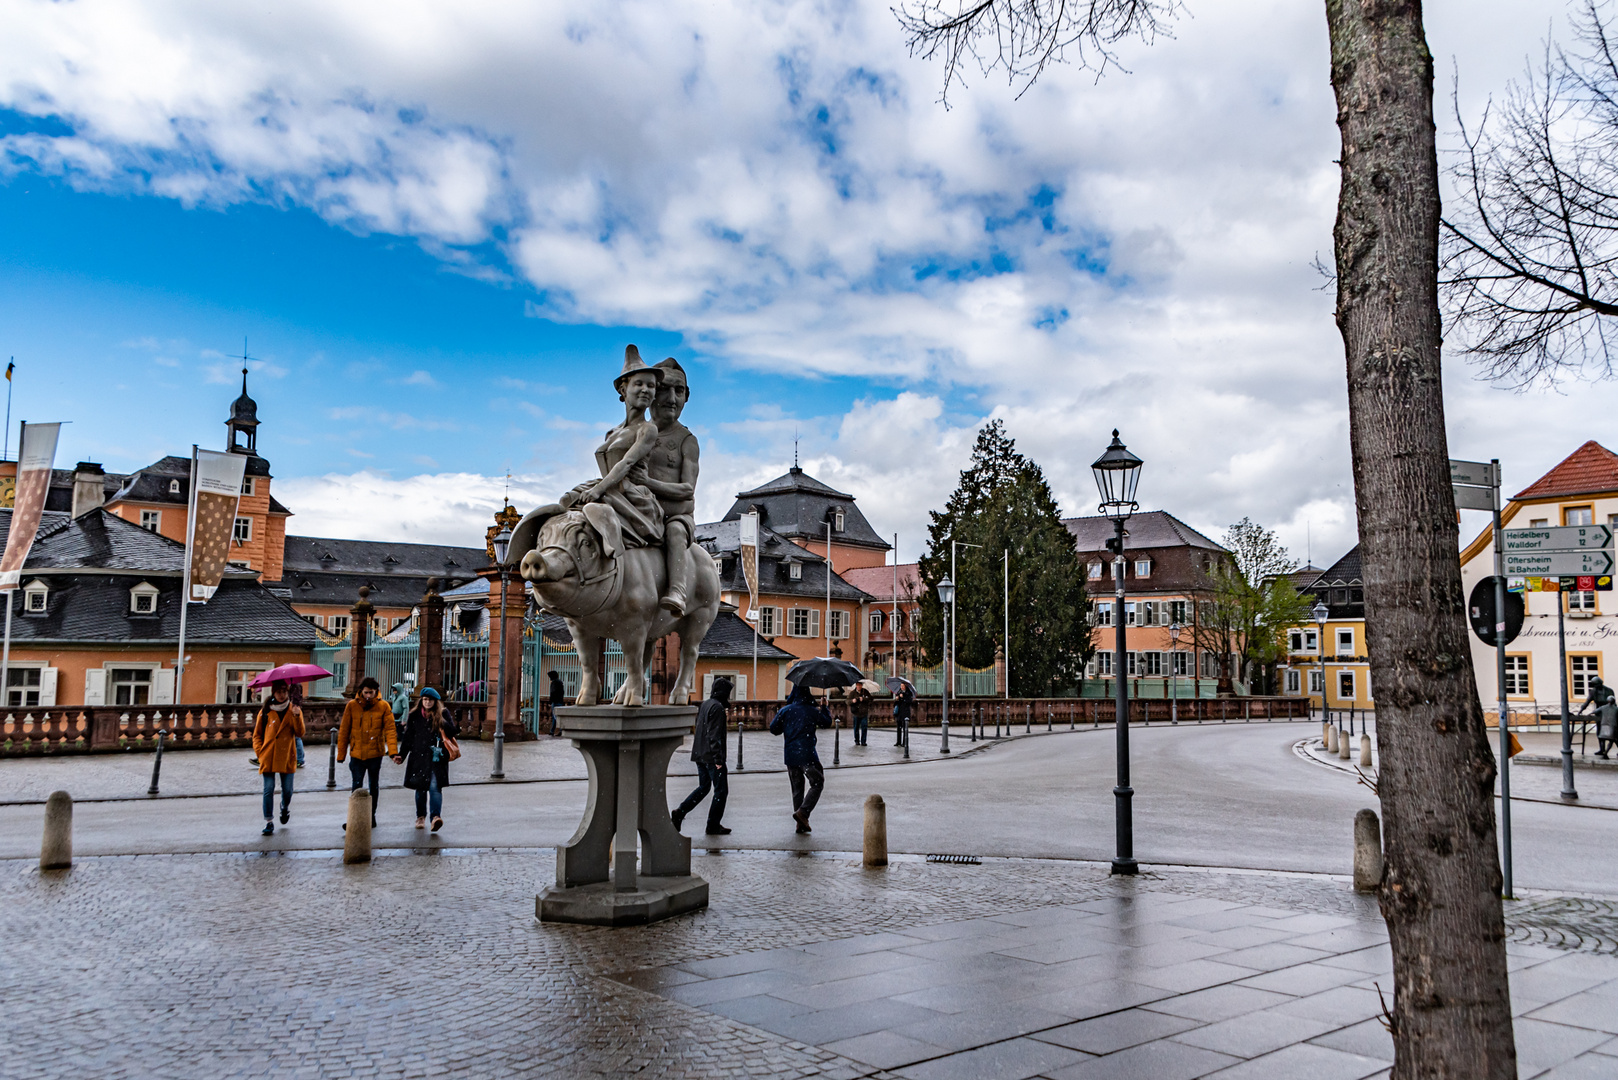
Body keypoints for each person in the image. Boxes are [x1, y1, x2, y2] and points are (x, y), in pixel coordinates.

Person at [557, 345, 666, 549]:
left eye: (651, 386)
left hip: (629, 496)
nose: (646, 389)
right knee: (564, 501)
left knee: (594, 510)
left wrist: (599, 490)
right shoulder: (611, 433)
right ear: (623, 390)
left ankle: (610, 550)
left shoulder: (648, 429)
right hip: (605, 488)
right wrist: (598, 488)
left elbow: (627, 462)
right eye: (639, 384)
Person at [642, 356, 700, 616]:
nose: (672, 397)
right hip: (640, 511)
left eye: (679, 390)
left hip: (674, 516)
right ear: (652, 391)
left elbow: (687, 489)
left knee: (675, 532)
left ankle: (677, 590)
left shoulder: (686, 440)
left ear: (687, 397)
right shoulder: (638, 433)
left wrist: (646, 482)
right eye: (665, 389)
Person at [769, 682, 832, 833]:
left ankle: (801, 823)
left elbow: (773, 729)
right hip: (807, 754)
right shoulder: (811, 710)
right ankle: (803, 813)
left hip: (791, 755)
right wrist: (824, 707)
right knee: (817, 782)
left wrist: (786, 723)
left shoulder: (786, 710)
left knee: (797, 789)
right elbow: (826, 723)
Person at [672, 677, 732, 835]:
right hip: (712, 757)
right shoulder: (717, 708)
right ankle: (713, 824)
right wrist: (719, 761)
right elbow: (714, 737)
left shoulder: (706, 704)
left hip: (700, 754)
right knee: (721, 791)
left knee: (703, 787)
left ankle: (680, 811)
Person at [394, 687, 458, 831]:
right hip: (419, 756)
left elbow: (453, 732)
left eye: (430, 700)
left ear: (435, 701)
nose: (427, 702)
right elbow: (408, 737)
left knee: (435, 787)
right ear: (421, 700)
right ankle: (420, 817)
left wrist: (441, 721)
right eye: (425, 699)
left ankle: (435, 817)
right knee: (421, 788)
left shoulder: (443, 713)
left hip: (437, 757)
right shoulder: (415, 714)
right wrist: (402, 755)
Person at [338, 676, 398, 829]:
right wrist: (341, 754)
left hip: (375, 754)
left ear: (376, 692)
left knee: (373, 786)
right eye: (366, 693)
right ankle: (355, 817)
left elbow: (390, 730)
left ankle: (371, 816)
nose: (368, 696)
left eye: (371, 693)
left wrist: (392, 752)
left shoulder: (383, 706)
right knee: (356, 787)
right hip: (357, 754)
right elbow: (344, 731)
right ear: (361, 691)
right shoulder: (352, 706)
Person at [252, 680, 305, 836]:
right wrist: (260, 753)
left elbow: (300, 733)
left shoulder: (294, 709)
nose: (282, 695)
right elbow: (257, 735)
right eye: (279, 692)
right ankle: (268, 821)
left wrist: (296, 716)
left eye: (284, 691)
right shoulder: (266, 711)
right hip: (269, 755)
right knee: (268, 789)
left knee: (287, 790)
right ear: (273, 693)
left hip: (287, 755)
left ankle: (284, 807)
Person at [1579, 675, 1618, 758]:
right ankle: (1602, 749)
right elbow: (1587, 701)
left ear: (1600, 683)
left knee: (1613, 734)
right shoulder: (1593, 691)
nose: (1595, 687)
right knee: (1600, 732)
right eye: (1594, 685)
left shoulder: (1609, 690)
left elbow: (1614, 703)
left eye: (1596, 685)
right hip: (1599, 713)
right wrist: (1581, 710)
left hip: (1609, 712)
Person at [848, 682, 873, 746]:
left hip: (864, 713)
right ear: (856, 686)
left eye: (860, 685)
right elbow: (847, 701)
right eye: (857, 685)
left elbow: (871, 699)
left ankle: (863, 741)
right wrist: (852, 701)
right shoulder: (852, 693)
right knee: (856, 728)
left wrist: (863, 699)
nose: (858, 686)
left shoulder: (865, 692)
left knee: (864, 727)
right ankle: (856, 740)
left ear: (861, 685)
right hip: (856, 713)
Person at [894, 680, 915, 746]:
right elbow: (895, 704)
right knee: (898, 728)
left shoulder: (908, 693)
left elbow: (909, 702)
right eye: (901, 686)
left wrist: (903, 698)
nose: (902, 687)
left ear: (905, 686)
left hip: (905, 713)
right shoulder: (899, 692)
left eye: (903, 686)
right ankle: (898, 741)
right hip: (899, 713)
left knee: (904, 728)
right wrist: (897, 699)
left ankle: (904, 742)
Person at [547, 669, 565, 735]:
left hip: (555, 702)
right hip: (560, 701)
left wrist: (550, 701)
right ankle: (553, 730)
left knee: (555, 717)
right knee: (557, 717)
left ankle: (558, 730)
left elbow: (552, 693)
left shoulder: (554, 683)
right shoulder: (560, 682)